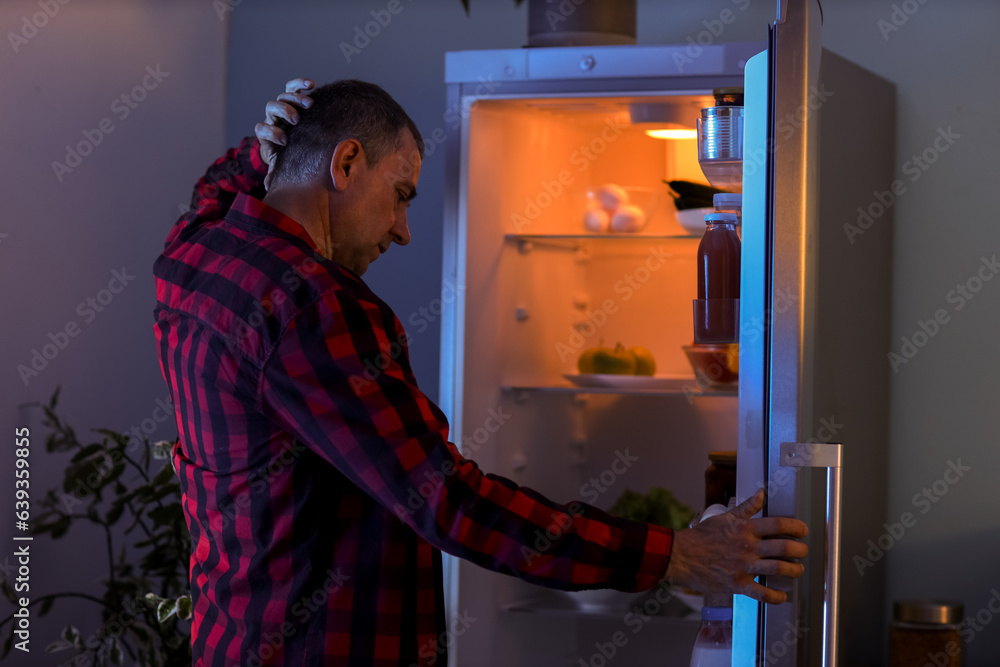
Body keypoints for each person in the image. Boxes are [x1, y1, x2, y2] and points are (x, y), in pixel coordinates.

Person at [153, 77, 807, 667]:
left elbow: (213, 191)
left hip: (230, 635)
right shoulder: (317, 304)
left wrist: (259, 150)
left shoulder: (196, 249)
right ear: (347, 163)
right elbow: (448, 501)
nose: (404, 230)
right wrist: (676, 554)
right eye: (399, 195)